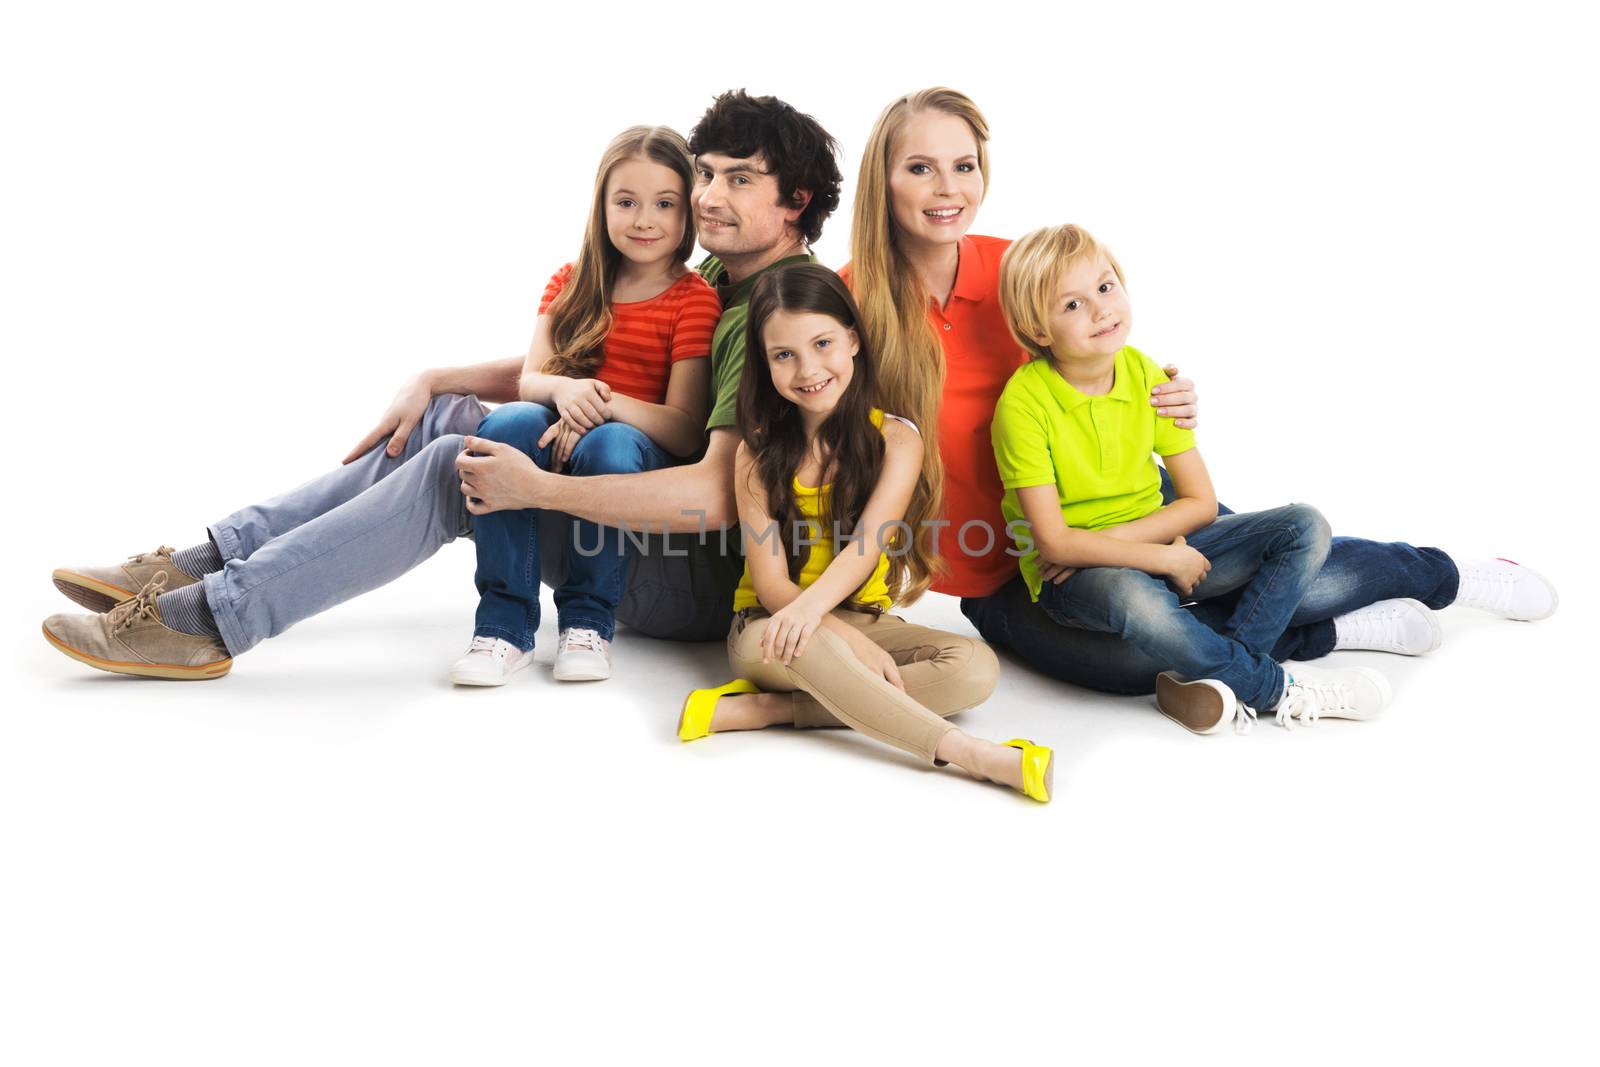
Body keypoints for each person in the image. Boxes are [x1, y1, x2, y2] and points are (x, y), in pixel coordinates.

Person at [41, 90, 847, 680]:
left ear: (794, 205)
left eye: (740, 180)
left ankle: (215, 618)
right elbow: (592, 371)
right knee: (457, 418)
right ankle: (208, 560)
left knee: (459, 470)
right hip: (633, 524)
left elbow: (710, 495)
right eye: (705, 174)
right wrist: (436, 377)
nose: (707, 196)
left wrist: (534, 488)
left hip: (687, 578)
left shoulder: (773, 313)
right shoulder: (717, 271)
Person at [840, 86, 1557, 711]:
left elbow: (1098, 354)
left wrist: (1167, 398)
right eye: (920, 168)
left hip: (1129, 513)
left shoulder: (1016, 268)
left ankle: (1451, 575)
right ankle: (1334, 635)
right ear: (886, 179)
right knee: (1137, 662)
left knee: (1274, 576)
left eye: (964, 166)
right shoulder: (849, 305)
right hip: (1015, 573)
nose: (947, 188)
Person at [994, 224, 1393, 730]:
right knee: (1133, 597)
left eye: (1104, 286)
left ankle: (1221, 680)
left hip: (1147, 544)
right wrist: (1156, 556)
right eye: (1071, 305)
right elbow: (1053, 544)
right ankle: (1274, 687)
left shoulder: (1147, 377)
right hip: (1079, 580)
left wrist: (1139, 548)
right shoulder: (1023, 406)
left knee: (1305, 525)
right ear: (1038, 331)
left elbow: (1201, 502)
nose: (1100, 309)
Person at [678, 264, 1049, 801]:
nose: (808, 369)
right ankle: (971, 754)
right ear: (765, 364)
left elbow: (867, 544)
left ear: (852, 338)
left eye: (822, 342)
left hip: (865, 618)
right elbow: (774, 586)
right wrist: (839, 636)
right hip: (771, 626)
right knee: (813, 647)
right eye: (783, 355)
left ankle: (771, 710)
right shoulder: (754, 453)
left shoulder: (897, 440)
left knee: (975, 670)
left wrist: (853, 635)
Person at [450, 126, 721, 686]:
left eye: (664, 205)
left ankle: (588, 623)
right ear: (601, 207)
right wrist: (566, 392)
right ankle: (504, 628)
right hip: (557, 428)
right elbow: (532, 381)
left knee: (611, 440)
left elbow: (685, 429)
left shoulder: (694, 299)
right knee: (506, 423)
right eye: (626, 202)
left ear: (687, 216)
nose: (644, 220)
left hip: (632, 452)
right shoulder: (571, 283)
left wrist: (597, 403)